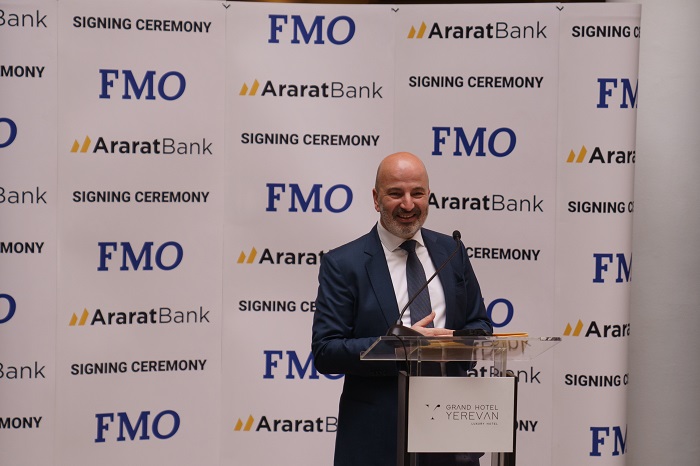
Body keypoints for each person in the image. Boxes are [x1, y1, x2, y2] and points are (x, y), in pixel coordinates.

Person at [311, 152, 492, 466]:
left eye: (417, 193)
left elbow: (481, 326)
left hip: (451, 435)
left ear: (428, 195)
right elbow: (327, 352)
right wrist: (397, 347)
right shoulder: (343, 264)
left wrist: (456, 340)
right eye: (396, 193)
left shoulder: (452, 251)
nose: (408, 204)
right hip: (377, 440)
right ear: (376, 198)